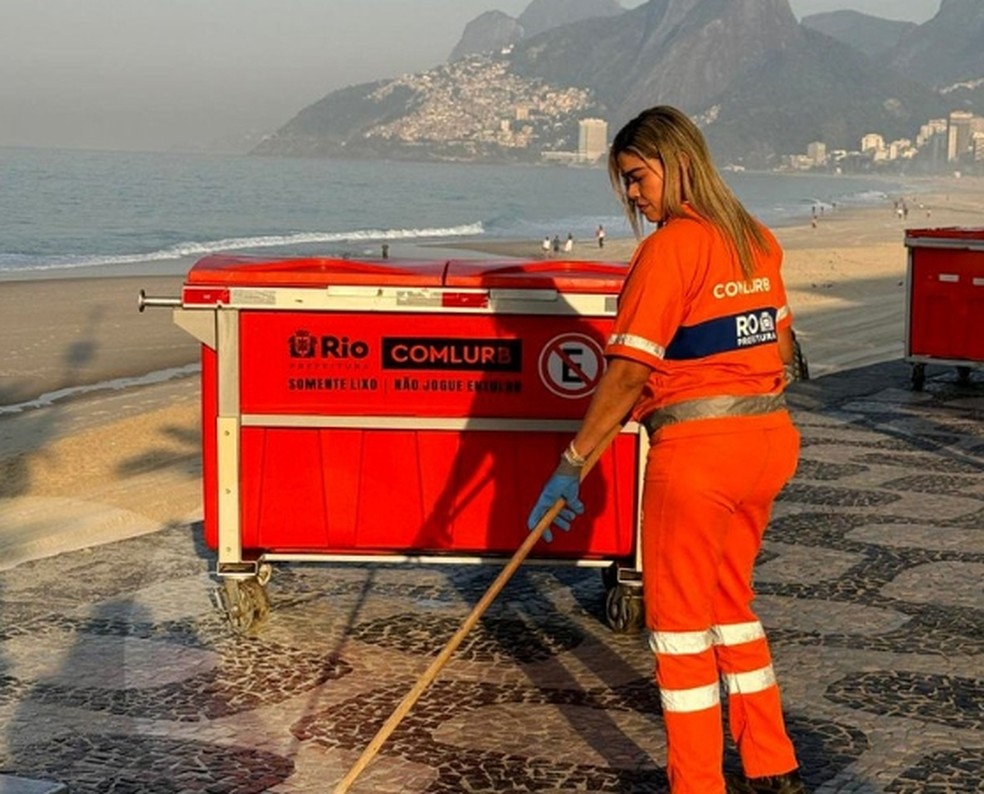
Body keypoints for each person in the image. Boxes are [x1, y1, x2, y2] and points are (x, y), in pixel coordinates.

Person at [527, 106, 807, 794]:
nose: (630, 195)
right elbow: (781, 347)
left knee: (679, 630)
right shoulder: (756, 240)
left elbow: (626, 372)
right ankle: (772, 765)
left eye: (635, 176)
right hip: (768, 440)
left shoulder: (672, 247)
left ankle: (697, 783)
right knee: (730, 604)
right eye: (623, 183)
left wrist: (572, 466)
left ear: (677, 162)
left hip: (701, 452)